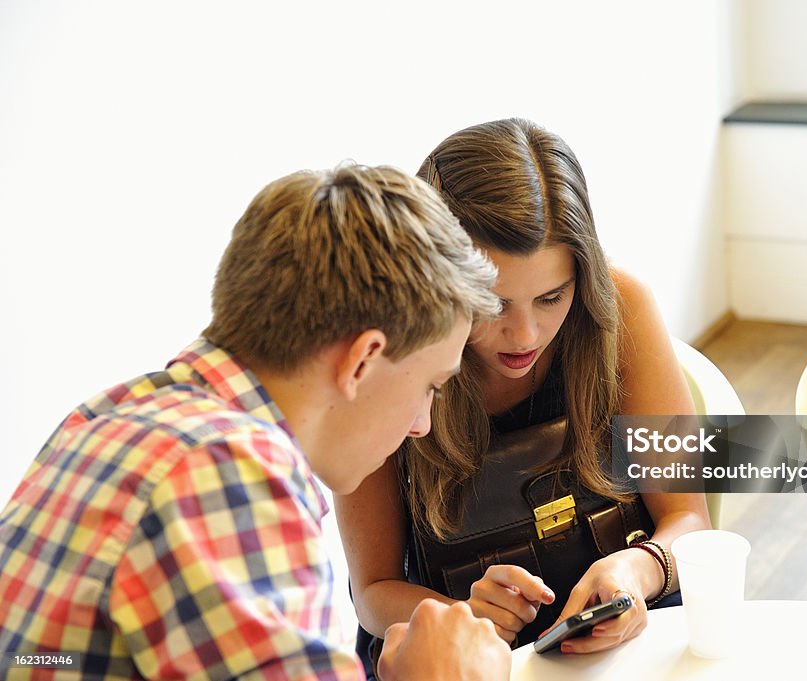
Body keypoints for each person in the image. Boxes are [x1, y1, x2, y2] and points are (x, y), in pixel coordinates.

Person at [0, 164, 513, 680]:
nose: (421, 423)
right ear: (361, 362)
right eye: (430, 386)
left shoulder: (108, 416)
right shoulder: (225, 471)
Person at [336, 118, 711, 676]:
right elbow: (372, 592)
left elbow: (688, 519)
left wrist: (639, 569)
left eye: (551, 297)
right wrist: (461, 616)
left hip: (618, 641)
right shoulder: (386, 353)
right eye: (491, 303)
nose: (526, 336)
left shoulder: (621, 308)